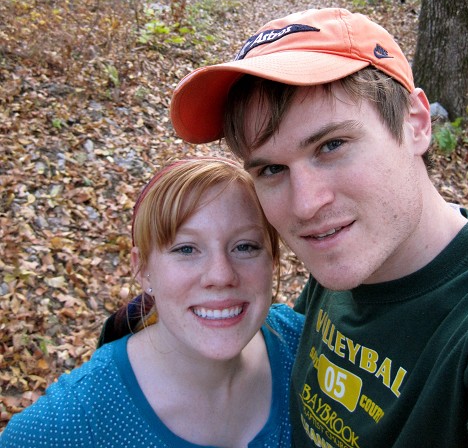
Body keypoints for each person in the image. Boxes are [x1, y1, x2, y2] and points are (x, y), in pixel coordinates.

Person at [168, 8, 468, 447]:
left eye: (331, 145)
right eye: (272, 169)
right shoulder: (347, 255)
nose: (306, 205)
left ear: (416, 123)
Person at [0, 158, 304, 448]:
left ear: (273, 260)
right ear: (143, 268)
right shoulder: (76, 419)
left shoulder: (307, 347)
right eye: (186, 249)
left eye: (245, 246)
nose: (221, 275)